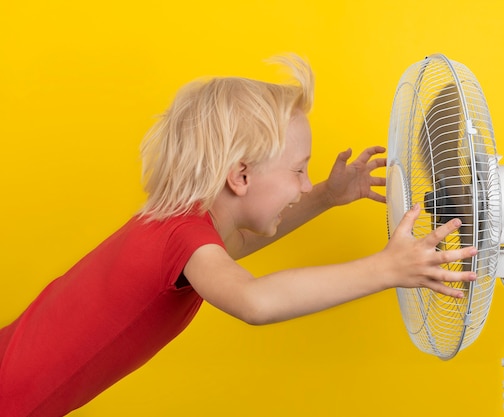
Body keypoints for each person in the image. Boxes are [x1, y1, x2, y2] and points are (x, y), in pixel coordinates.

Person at [0, 55, 477, 416]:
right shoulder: (184, 239)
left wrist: (327, 197)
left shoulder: (183, 228)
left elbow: (241, 246)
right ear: (240, 177)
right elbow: (255, 301)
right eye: (298, 170)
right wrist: (386, 268)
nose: (304, 184)